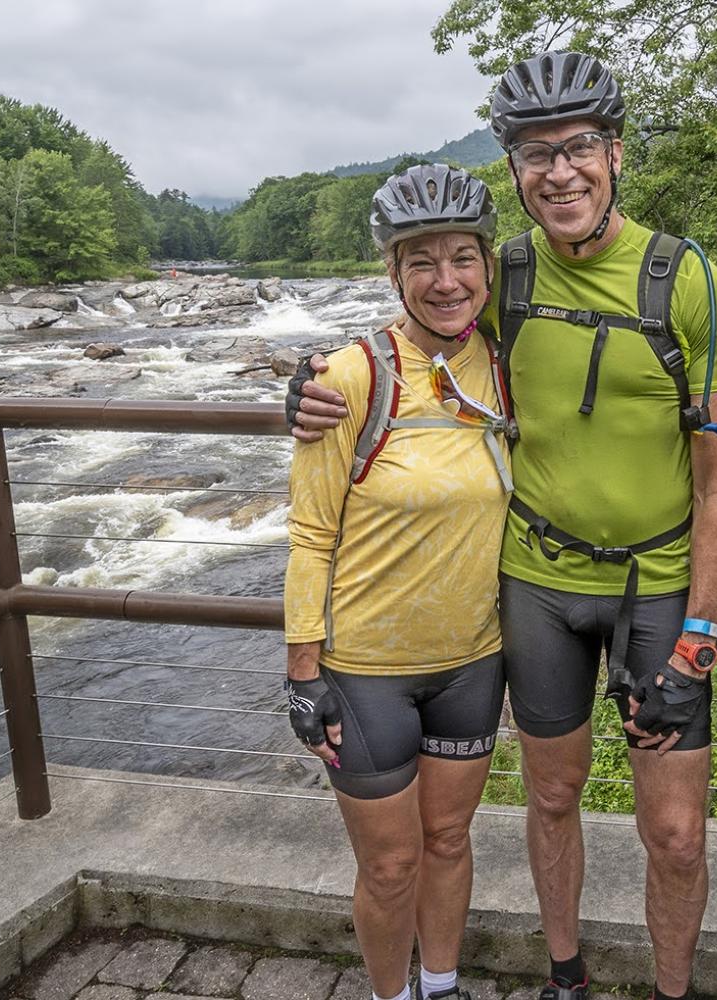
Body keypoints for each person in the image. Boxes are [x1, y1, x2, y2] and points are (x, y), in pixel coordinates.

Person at [288, 51, 717, 1000]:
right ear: (515, 170)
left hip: (655, 587)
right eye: (537, 153)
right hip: (535, 584)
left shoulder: (687, 279)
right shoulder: (507, 274)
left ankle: (672, 989)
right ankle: (565, 977)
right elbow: (424, 319)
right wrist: (307, 386)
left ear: (617, 152)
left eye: (580, 146)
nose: (561, 170)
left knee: (676, 831)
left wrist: (702, 628)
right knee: (551, 796)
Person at [283, 163, 512, 1000]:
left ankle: (441, 985)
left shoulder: (504, 359)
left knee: (449, 841)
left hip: (473, 661)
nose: (446, 280)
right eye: (422, 261)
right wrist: (303, 672)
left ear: (488, 267)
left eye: (462, 258)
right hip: (367, 669)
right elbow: (310, 533)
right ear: (393, 273)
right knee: (389, 864)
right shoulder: (350, 378)